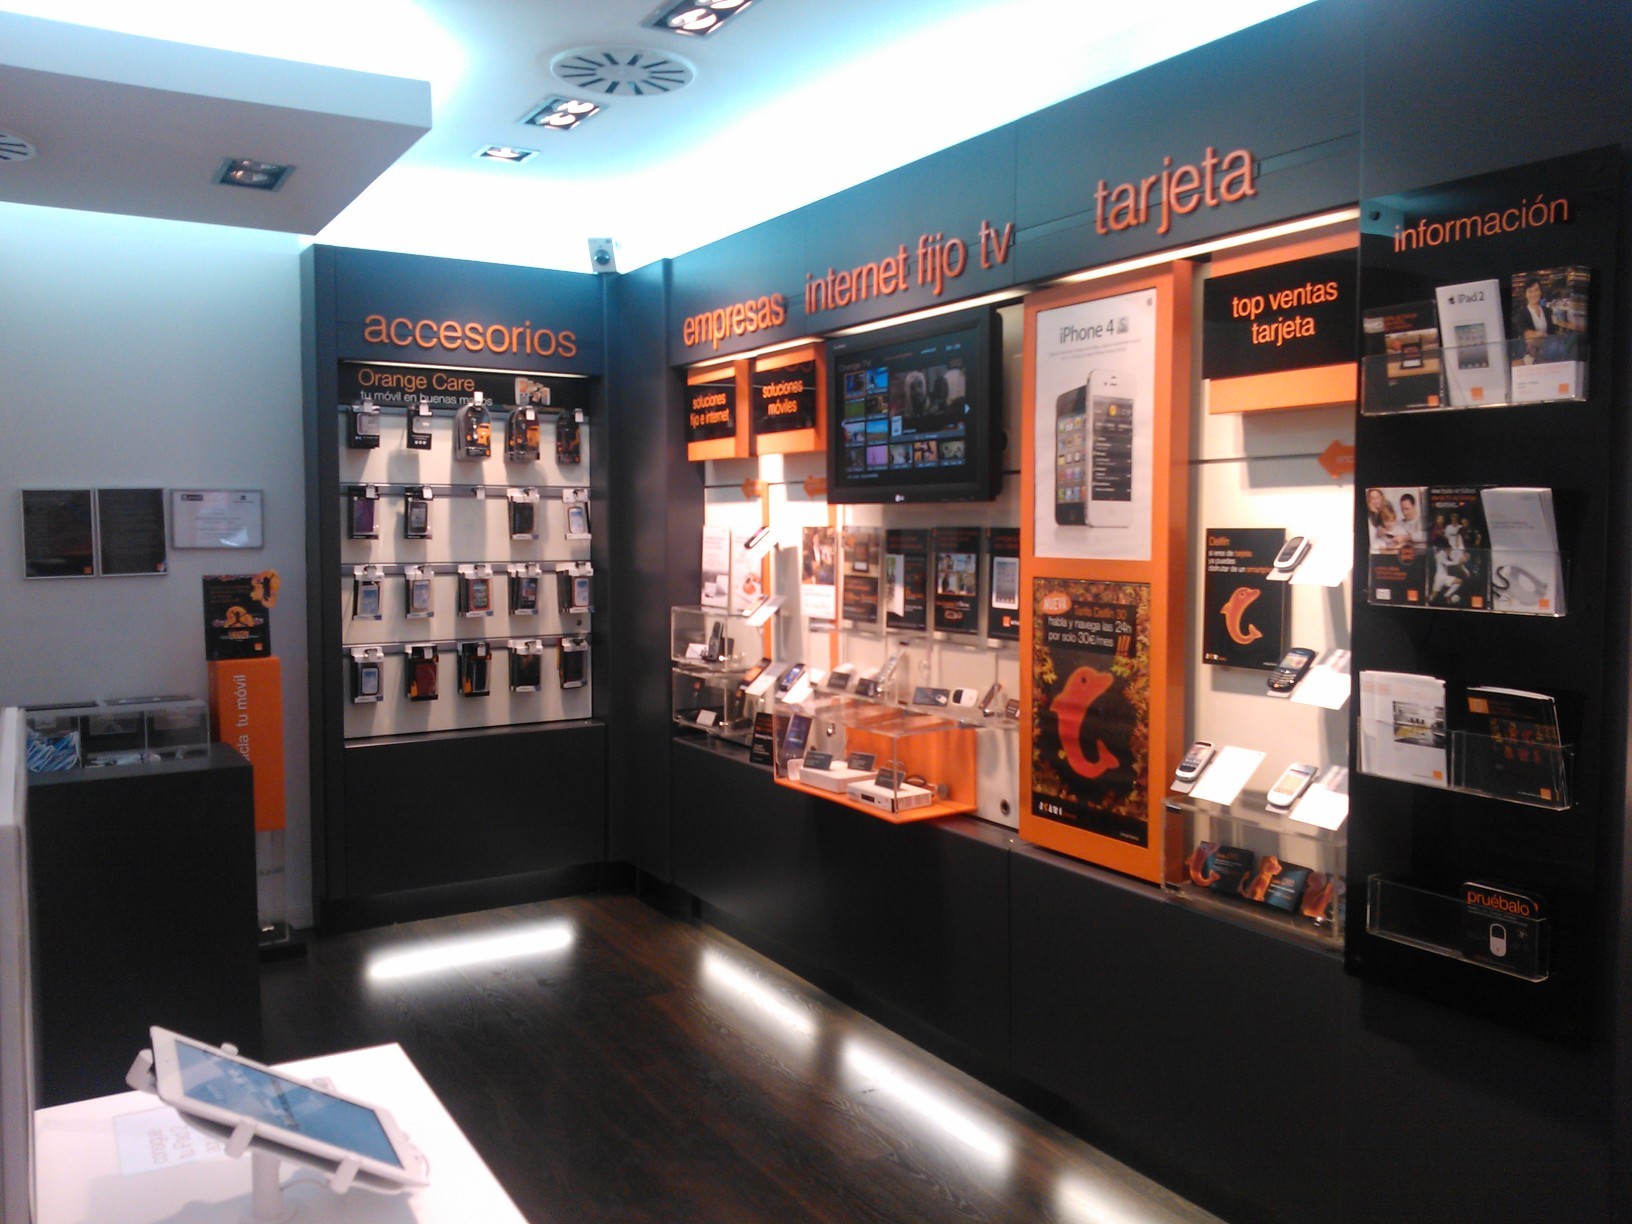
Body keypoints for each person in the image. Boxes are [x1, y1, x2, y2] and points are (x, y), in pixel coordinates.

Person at [1511, 279, 1555, 363]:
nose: (1533, 294)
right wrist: (1541, 334)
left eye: (1536, 290)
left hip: (1547, 352)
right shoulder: (1521, 313)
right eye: (1530, 291)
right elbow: (1526, 334)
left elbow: (1552, 334)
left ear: (1540, 292)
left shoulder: (1547, 311)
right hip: (1529, 354)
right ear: (1525, 295)